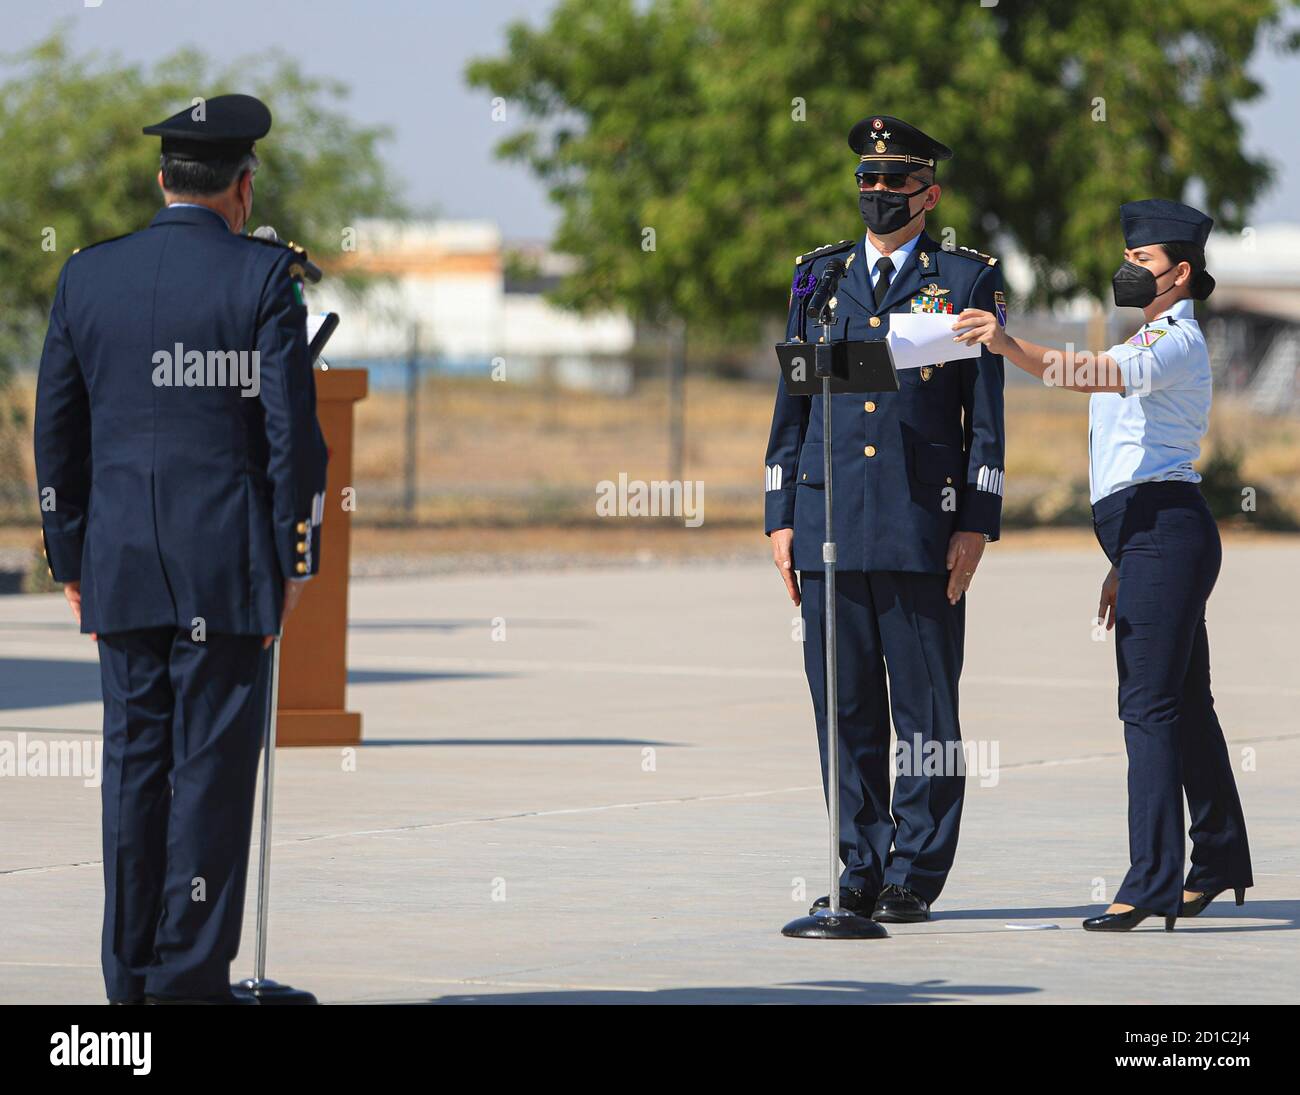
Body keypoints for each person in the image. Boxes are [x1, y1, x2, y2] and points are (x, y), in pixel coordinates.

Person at [33, 94, 329, 1001]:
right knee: (210, 775)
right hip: (226, 567)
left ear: (162, 180)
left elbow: (56, 432)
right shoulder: (264, 279)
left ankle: (130, 984)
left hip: (120, 564)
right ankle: (190, 981)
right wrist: (295, 559)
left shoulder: (87, 276)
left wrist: (70, 558)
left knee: (134, 771)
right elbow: (294, 440)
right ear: (244, 189)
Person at [952, 198, 1252, 931]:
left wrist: (1008, 344)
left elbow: (1084, 372)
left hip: (1167, 530)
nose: (1127, 269)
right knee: (1182, 703)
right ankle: (1217, 856)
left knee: (1146, 706)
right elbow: (1128, 459)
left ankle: (1151, 881)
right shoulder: (1146, 336)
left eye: (1141, 261)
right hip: (1152, 535)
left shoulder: (1173, 342)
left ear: (1179, 273)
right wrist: (1124, 559)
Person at [765, 115, 1006, 923]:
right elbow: (793, 403)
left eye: (894, 182)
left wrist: (975, 520)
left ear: (928, 194)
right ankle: (857, 867)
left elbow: (986, 418)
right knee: (844, 705)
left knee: (927, 712)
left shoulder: (965, 281)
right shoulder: (819, 280)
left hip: (921, 526)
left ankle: (912, 873)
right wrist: (778, 510)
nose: (876, 194)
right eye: (866, 181)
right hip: (828, 521)